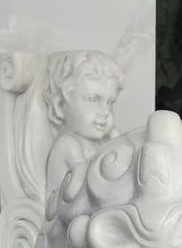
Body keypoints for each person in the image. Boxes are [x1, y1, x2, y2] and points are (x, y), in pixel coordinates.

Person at [44, 51, 124, 195]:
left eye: (110, 102)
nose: (106, 111)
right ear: (60, 106)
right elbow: (91, 188)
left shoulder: (102, 141)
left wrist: (119, 145)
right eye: (93, 99)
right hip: (67, 208)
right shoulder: (67, 145)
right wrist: (117, 149)